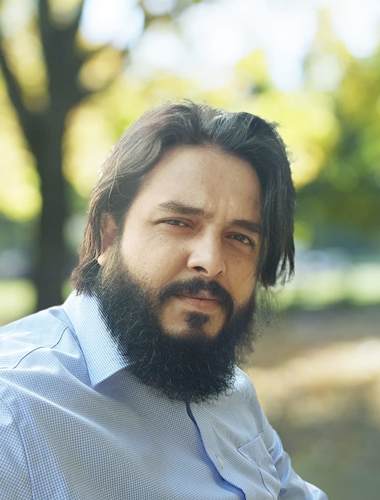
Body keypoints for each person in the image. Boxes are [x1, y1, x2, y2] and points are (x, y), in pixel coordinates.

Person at [0, 100, 327, 499]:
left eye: (240, 237)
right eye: (178, 222)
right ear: (108, 236)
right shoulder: (13, 411)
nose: (211, 261)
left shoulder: (232, 390)